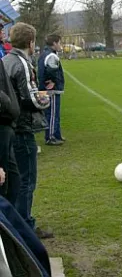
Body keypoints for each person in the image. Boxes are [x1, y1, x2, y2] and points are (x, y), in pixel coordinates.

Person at [2, 22, 53, 239]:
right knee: (26, 179)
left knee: (15, 180)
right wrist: (45, 101)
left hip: (10, 128)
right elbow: (27, 97)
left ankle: (17, 223)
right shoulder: (21, 62)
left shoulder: (5, 60)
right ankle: (25, 227)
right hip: (22, 127)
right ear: (31, 42)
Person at [0, 54, 20, 206]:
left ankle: (16, 227)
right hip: (3, 124)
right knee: (4, 184)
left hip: (7, 124)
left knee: (13, 181)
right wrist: (6, 102)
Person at [37, 34, 65, 146]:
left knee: (53, 113)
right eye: (59, 43)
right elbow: (51, 70)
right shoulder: (51, 56)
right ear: (54, 43)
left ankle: (56, 134)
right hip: (51, 91)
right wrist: (53, 81)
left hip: (45, 89)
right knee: (52, 113)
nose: (60, 45)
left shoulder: (44, 54)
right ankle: (50, 137)